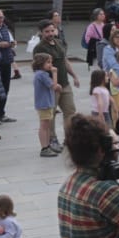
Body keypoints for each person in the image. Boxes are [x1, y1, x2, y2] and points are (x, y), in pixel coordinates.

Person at [33, 21, 80, 151]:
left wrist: (74, 76)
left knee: (70, 112)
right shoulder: (39, 48)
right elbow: (38, 68)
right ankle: (52, 139)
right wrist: (51, 82)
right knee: (50, 115)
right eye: (47, 31)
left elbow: (65, 60)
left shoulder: (59, 43)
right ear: (41, 33)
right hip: (51, 86)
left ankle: (69, 138)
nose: (50, 34)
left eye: (52, 31)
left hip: (64, 83)